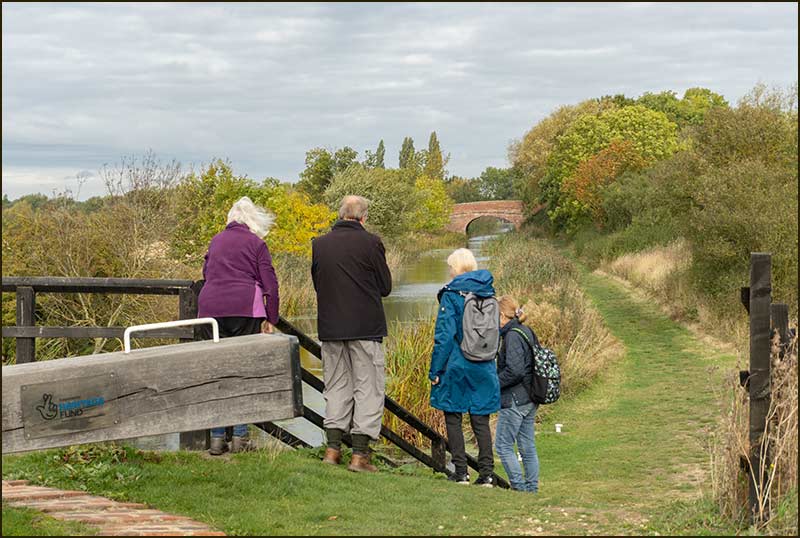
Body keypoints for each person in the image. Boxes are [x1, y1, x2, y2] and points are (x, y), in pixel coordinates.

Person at [311, 195, 392, 473]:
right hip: (365, 327)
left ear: (341, 214)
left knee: (335, 386)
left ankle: (333, 450)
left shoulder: (319, 245)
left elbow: (318, 283)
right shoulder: (371, 243)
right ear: (363, 217)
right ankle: (359, 455)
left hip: (331, 327)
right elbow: (385, 286)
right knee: (368, 387)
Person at [197, 196, 279, 456]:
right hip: (244, 308)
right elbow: (271, 286)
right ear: (252, 220)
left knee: (217, 370)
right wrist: (271, 318)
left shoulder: (216, 240)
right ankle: (240, 437)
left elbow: (206, 273)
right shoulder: (257, 244)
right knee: (241, 370)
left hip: (210, 309)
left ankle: (217, 438)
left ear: (230, 219)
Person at [429, 248, 501, 487]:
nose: (449, 271)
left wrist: (435, 371)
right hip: (484, 363)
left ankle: (461, 472)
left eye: (451, 267)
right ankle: (487, 474)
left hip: (457, 365)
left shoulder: (451, 294)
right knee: (480, 419)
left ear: (457, 268)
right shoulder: (489, 292)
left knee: (453, 416)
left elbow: (445, 336)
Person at [494, 295, 540, 492]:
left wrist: (493, 383)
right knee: (527, 446)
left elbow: (515, 370)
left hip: (515, 399)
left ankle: (519, 488)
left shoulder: (512, 335)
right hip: (530, 396)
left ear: (503, 315)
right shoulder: (526, 331)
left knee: (503, 445)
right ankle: (532, 488)